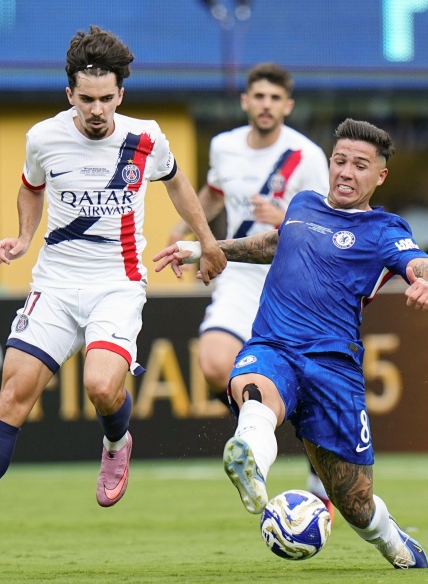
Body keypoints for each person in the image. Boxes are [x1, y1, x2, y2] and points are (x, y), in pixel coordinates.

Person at [0, 25, 225, 561]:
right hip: (55, 285)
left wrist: (206, 242)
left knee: (101, 387)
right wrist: (24, 238)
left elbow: (178, 183)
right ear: (70, 94)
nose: (96, 110)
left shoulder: (146, 138)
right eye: (86, 99)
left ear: (121, 94)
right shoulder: (43, 138)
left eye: (106, 99)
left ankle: (116, 441)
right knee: (13, 395)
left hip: (117, 285)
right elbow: (30, 187)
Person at [156, 119, 428, 569]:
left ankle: (393, 542)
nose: (346, 172)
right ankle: (251, 458)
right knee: (254, 387)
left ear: (380, 176)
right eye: (339, 161)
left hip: (334, 370)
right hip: (275, 344)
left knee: (355, 502)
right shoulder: (302, 204)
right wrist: (207, 248)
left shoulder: (384, 230)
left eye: (359, 165)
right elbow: (274, 243)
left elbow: (425, 267)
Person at [167, 62, 334, 512]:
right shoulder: (224, 146)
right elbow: (214, 193)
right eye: (259, 96)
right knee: (213, 363)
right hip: (240, 274)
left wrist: (285, 218)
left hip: (292, 281)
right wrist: (182, 230)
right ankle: (257, 441)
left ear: (288, 106)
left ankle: (283, 447)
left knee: (313, 385)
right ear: (245, 101)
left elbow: (329, 221)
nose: (266, 105)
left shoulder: (306, 155)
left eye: (275, 98)